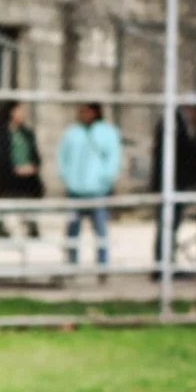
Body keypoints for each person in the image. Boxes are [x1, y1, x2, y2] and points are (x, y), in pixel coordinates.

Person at [56, 102, 122, 272]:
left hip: (98, 191)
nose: (82, 114)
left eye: (85, 111)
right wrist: (67, 178)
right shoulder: (72, 132)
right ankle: (71, 264)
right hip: (75, 190)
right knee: (72, 229)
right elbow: (62, 156)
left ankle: (102, 265)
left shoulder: (107, 132)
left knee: (100, 229)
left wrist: (105, 179)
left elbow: (113, 158)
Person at [149, 104, 196, 272]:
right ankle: (163, 266)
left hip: (173, 182)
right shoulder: (174, 124)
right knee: (167, 225)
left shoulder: (174, 123)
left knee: (170, 226)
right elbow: (183, 151)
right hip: (171, 183)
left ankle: (166, 263)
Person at [0, 101, 43, 237]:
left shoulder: (26, 133)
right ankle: (0, 224)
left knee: (35, 183)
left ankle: (31, 223)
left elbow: (36, 156)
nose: (22, 114)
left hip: (27, 173)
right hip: (6, 173)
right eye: (19, 110)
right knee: (2, 184)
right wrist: (15, 168)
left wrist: (31, 166)